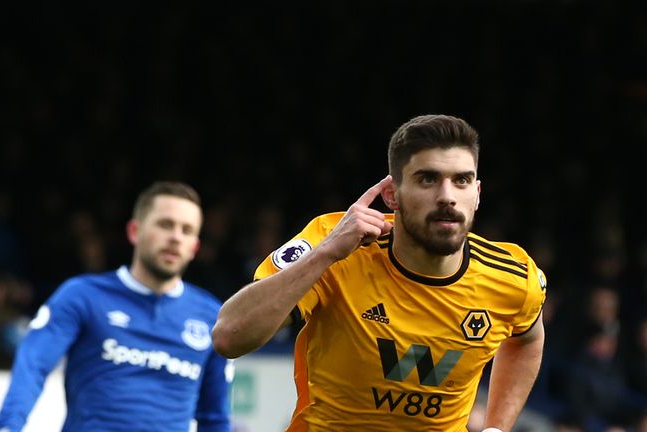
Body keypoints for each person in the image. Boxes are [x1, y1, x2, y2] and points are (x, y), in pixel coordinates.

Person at [212, 115, 546, 432]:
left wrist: (495, 426)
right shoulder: (334, 243)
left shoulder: (513, 277)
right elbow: (229, 336)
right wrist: (325, 254)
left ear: (477, 195)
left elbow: (527, 340)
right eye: (427, 179)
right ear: (391, 195)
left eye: (462, 180)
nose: (447, 197)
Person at [0, 181, 232, 431]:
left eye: (187, 230)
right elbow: (33, 364)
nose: (175, 237)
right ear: (134, 231)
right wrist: (9, 425)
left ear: (195, 246)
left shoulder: (212, 316)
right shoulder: (82, 295)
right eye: (165, 225)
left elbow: (214, 417)